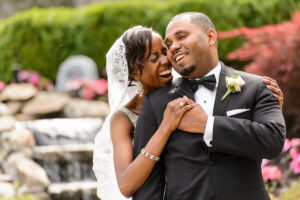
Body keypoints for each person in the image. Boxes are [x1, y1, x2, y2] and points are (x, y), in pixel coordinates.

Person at [93, 25, 284, 199]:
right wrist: (165, 127)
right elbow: (126, 185)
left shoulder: (188, 89)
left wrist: (262, 103)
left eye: (164, 52)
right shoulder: (123, 119)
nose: (166, 61)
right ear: (134, 72)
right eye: (154, 58)